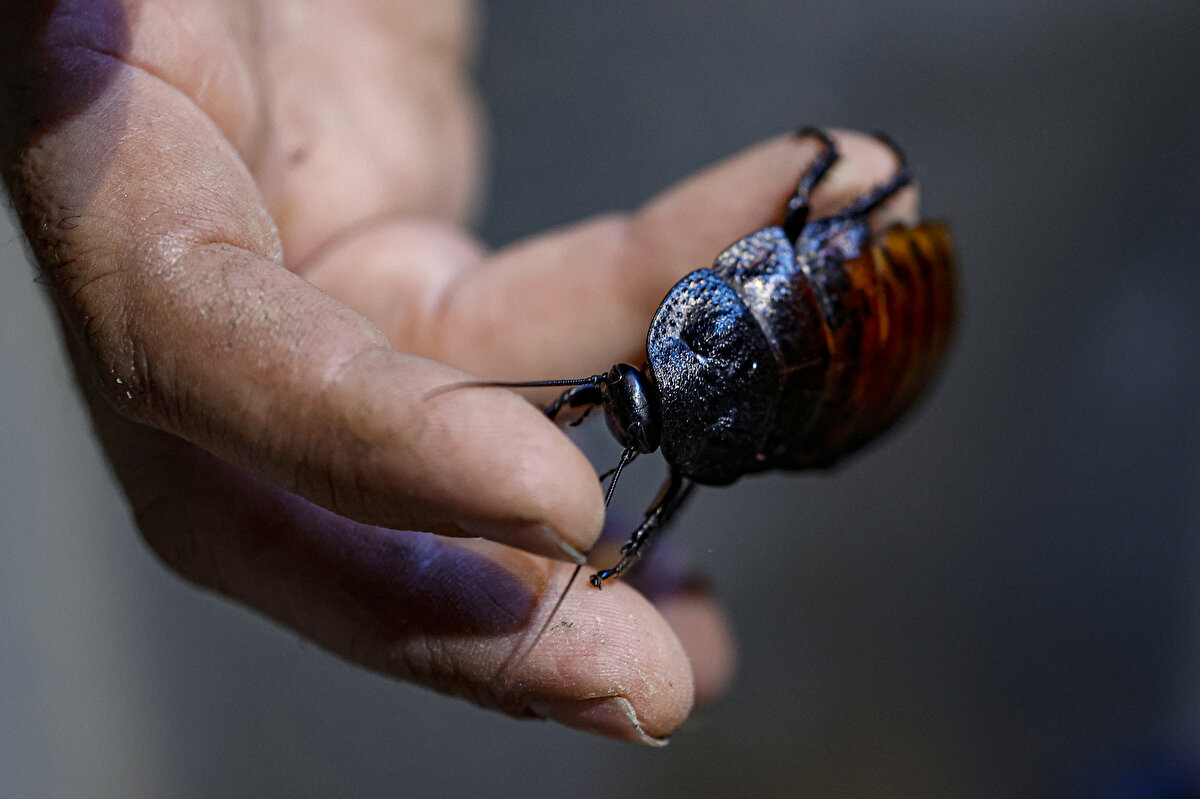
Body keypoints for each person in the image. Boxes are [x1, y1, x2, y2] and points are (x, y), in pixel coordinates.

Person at [0, 0, 916, 744]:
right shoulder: (701, 382)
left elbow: (677, 453)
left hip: (867, 350)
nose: (613, 406)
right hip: (855, 357)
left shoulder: (682, 381)